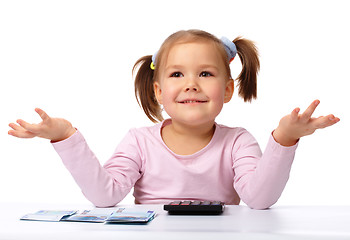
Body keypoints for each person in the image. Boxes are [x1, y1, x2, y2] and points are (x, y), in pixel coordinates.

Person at [8, 29, 339, 209]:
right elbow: (105, 196)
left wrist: (284, 137)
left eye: (205, 74)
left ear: (226, 90)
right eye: (177, 73)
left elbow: (259, 199)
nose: (191, 84)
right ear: (158, 91)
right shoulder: (139, 141)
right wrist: (65, 136)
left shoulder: (238, 141)